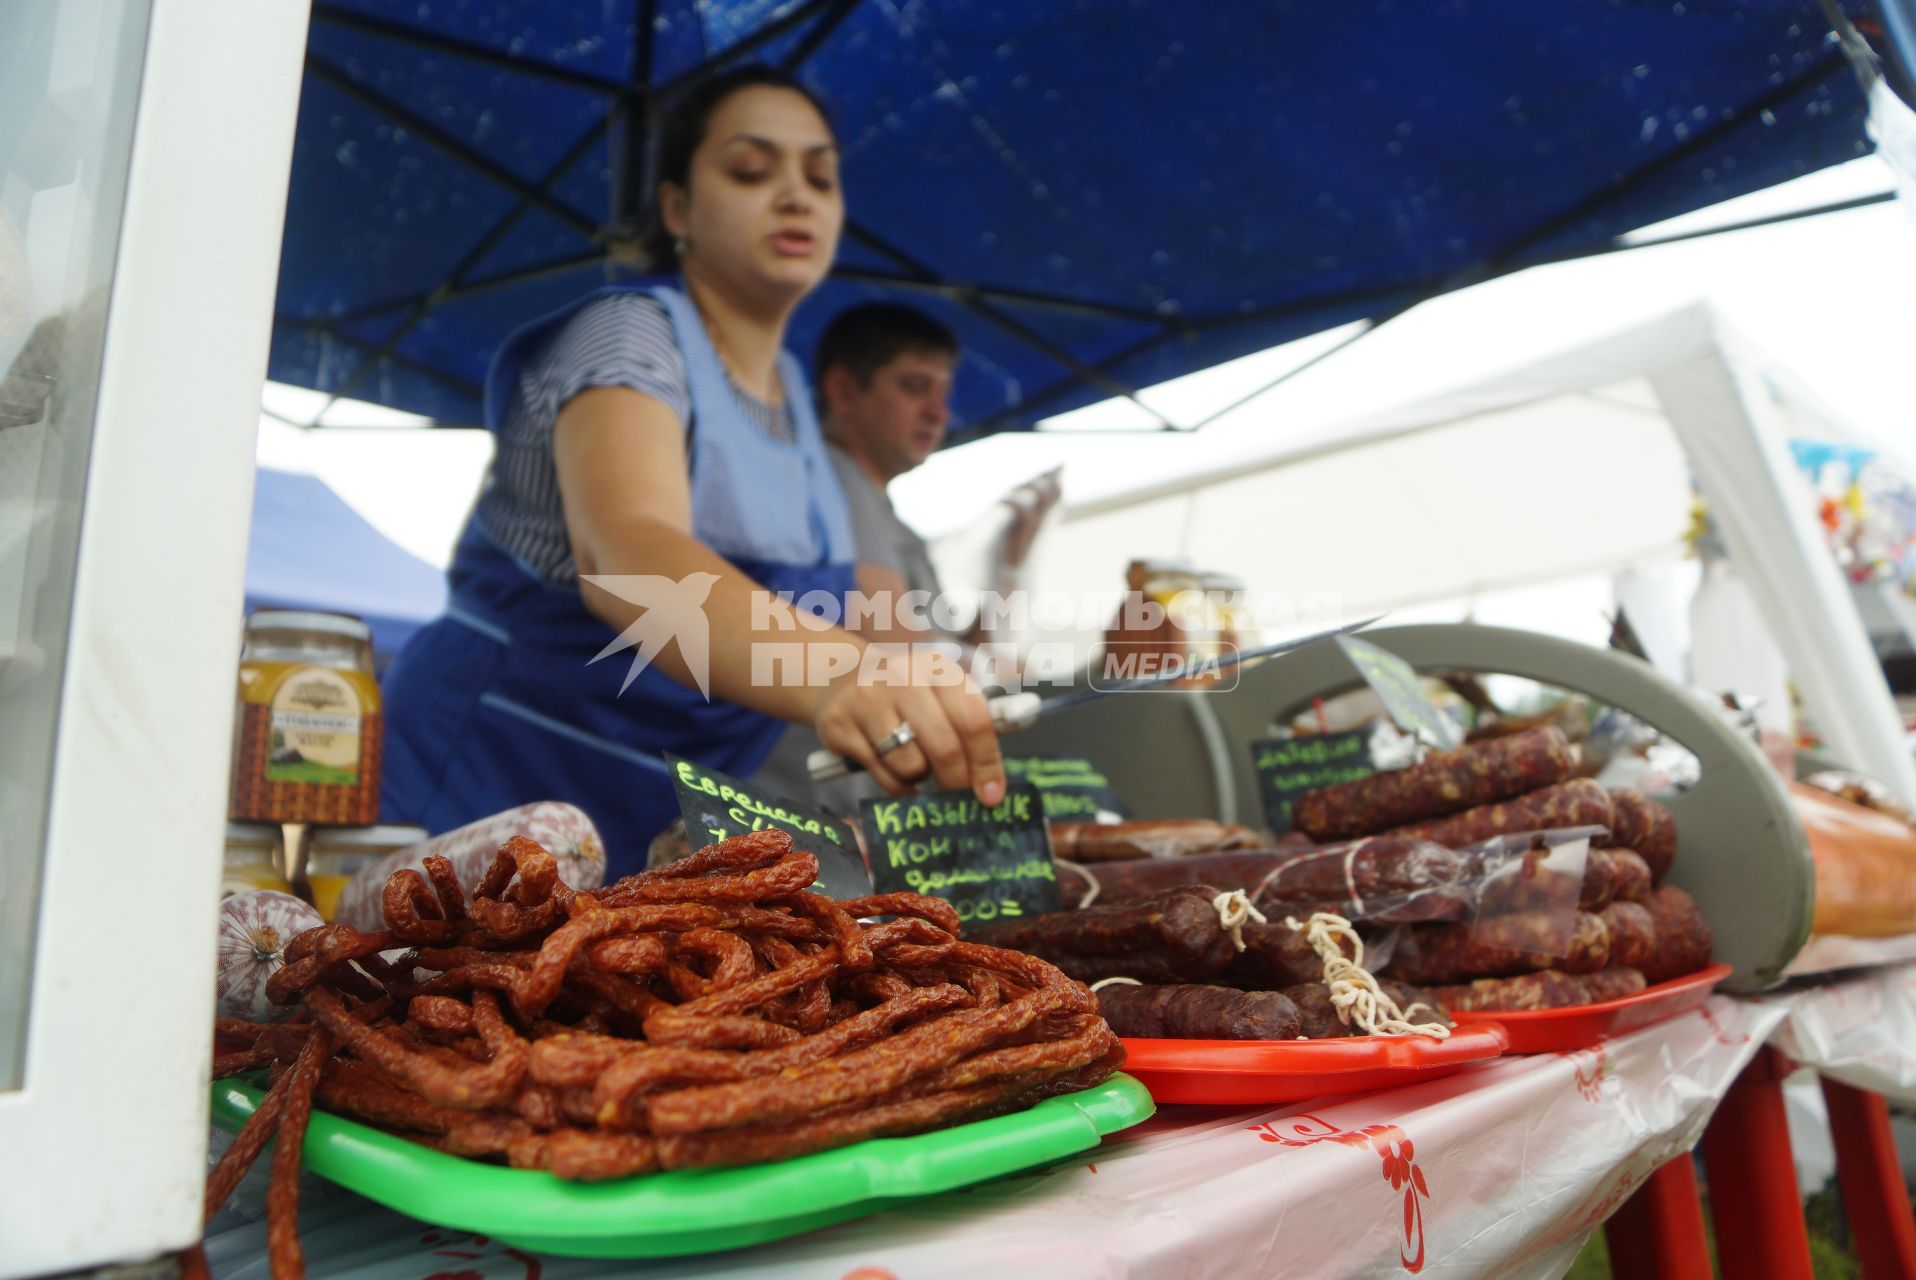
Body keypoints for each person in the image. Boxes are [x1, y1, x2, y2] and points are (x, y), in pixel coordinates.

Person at [380, 66, 1005, 878]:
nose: (795, 196)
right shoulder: (626, 338)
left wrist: (949, 685)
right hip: (482, 786)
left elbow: (849, 603)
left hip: (647, 813)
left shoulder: (796, 403)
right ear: (677, 208)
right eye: (752, 170)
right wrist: (844, 675)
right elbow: (630, 555)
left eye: (819, 176)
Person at [814, 301, 1061, 645]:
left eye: (944, 392)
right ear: (843, 391)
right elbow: (902, 650)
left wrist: (1010, 561)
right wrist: (999, 670)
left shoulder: (888, 517)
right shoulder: (835, 483)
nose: (939, 412)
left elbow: (952, 653)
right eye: (915, 386)